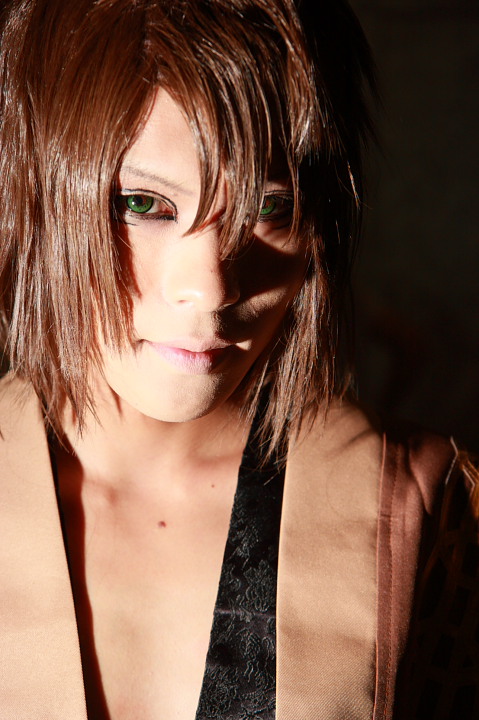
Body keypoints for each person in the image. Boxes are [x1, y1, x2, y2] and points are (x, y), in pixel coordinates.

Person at [0, 0, 476, 718]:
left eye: (270, 208)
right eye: (142, 204)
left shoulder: (429, 509)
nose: (212, 288)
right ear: (33, 191)